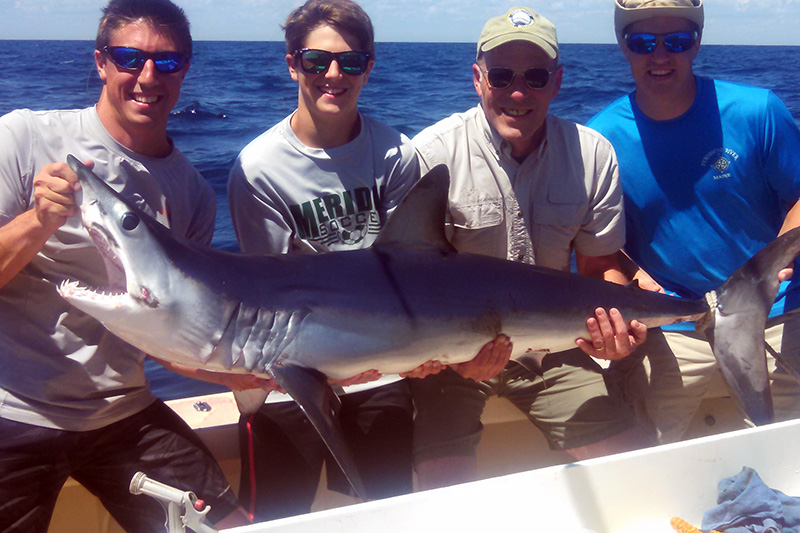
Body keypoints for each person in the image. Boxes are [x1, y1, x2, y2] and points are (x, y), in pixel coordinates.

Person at [0, 1, 252, 531]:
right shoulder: (23, 139)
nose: (146, 77)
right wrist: (36, 223)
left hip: (122, 415)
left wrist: (261, 375)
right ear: (101, 62)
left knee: (226, 524)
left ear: (185, 67)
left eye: (167, 62)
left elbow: (180, 336)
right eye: (129, 57)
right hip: (9, 411)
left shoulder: (191, 193)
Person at [409, 6, 653, 491]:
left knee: (635, 476)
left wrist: (616, 330)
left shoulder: (591, 154)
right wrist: (455, 358)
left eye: (535, 76)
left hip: (554, 348)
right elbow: (408, 286)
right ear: (478, 79)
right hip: (452, 359)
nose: (518, 92)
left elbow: (602, 267)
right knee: (441, 491)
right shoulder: (431, 155)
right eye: (501, 76)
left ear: (557, 81)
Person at [227, 0, 422, 521]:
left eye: (350, 62)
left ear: (369, 68)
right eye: (316, 61)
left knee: (385, 514)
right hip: (291, 369)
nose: (333, 75)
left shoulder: (397, 156)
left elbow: (416, 275)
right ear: (292, 64)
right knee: (271, 514)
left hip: (380, 364)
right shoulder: (258, 168)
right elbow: (260, 296)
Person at [588, 0, 800, 444]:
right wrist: (631, 273)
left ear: (697, 43)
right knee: (646, 457)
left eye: (677, 41)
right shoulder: (598, 139)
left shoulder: (757, 111)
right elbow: (600, 242)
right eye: (643, 41)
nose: (660, 55)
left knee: (785, 456)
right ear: (623, 46)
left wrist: (771, 268)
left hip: (779, 311)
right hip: (674, 324)